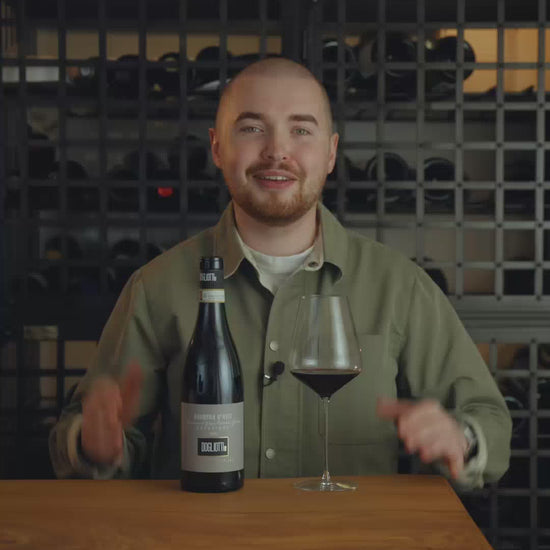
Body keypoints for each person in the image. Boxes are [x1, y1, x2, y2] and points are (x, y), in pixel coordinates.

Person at [49, 57, 511, 487]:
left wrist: (461, 438)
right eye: (252, 128)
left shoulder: (401, 287)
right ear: (217, 147)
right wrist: (93, 446)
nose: (277, 151)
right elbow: (89, 440)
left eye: (301, 130)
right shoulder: (155, 287)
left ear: (330, 153)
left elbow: (490, 422)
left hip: (350, 535)